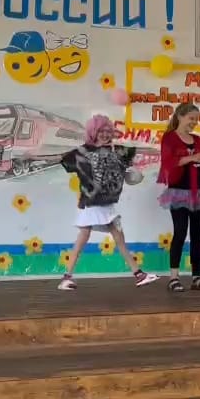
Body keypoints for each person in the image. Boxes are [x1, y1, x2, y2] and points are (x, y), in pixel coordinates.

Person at [58, 114, 159, 291]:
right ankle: (67, 277)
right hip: (91, 203)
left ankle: (138, 274)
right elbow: (63, 160)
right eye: (101, 131)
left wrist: (158, 152)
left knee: (115, 237)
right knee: (86, 238)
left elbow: (138, 154)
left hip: (106, 203)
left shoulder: (117, 151)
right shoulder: (82, 152)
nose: (105, 134)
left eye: (108, 131)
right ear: (93, 132)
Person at [158, 103, 200, 292]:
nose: (194, 122)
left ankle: (197, 277)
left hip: (198, 192)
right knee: (180, 232)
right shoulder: (169, 138)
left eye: (197, 119)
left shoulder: (198, 140)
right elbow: (167, 164)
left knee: (198, 234)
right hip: (178, 192)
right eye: (191, 118)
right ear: (180, 116)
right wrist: (191, 158)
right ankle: (174, 277)